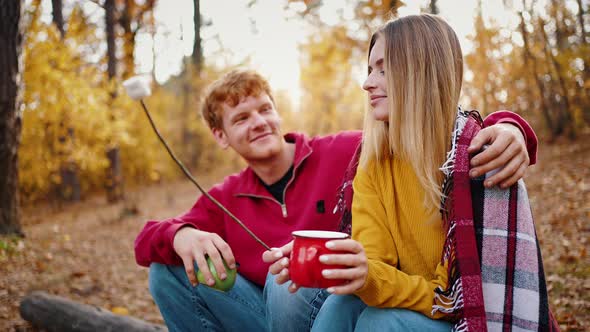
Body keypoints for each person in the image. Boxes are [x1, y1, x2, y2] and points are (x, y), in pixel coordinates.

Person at [134, 69, 537, 331]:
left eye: (264, 109)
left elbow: (429, 131)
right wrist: (182, 235)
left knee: (288, 274)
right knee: (164, 272)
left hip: (339, 306)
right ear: (221, 136)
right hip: (267, 318)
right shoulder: (224, 197)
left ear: (278, 112)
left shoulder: (346, 151)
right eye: (240, 118)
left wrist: (511, 127)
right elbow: (146, 238)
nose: (258, 122)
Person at [290, 14, 557, 331]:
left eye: (383, 70)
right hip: (420, 307)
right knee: (341, 301)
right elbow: (375, 263)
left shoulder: (479, 157)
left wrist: (513, 126)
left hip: (472, 321)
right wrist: (357, 271)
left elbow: (473, 301)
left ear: (420, 73)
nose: (367, 83)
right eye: (370, 70)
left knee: (381, 323)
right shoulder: (373, 162)